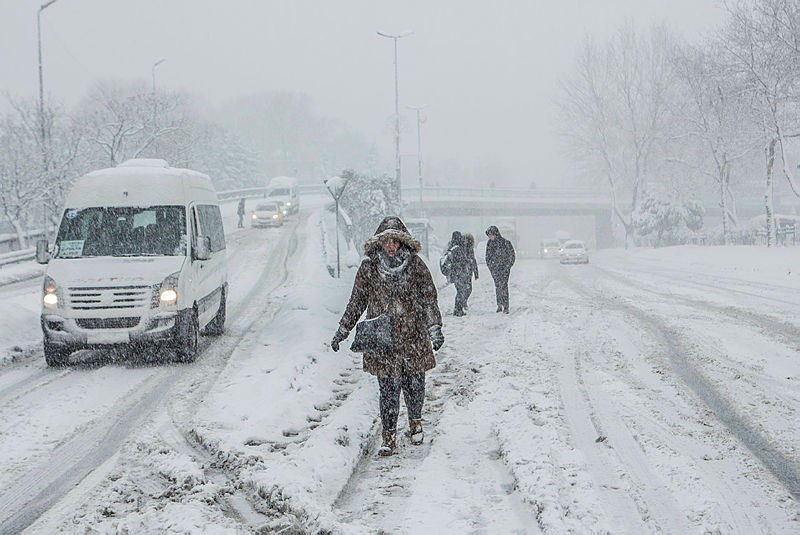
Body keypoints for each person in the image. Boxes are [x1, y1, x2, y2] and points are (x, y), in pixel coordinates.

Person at [330, 216, 444, 456]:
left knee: (415, 385)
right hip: (383, 341)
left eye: (395, 241)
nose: (391, 246)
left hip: (413, 336)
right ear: (379, 243)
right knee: (388, 391)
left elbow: (428, 298)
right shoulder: (369, 267)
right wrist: (343, 329)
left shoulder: (415, 265)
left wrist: (434, 328)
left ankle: (415, 422)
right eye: (386, 242)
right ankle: (388, 435)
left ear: (402, 243)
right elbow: (357, 301)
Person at [485, 225, 515, 313]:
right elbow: (488, 257)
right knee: (498, 286)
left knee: (504, 286)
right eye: (489, 236)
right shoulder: (489, 244)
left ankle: (505, 306)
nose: (490, 237)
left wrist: (508, 266)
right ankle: (499, 305)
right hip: (495, 269)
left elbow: (512, 255)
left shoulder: (505, 243)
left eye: (491, 235)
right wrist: (491, 267)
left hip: (504, 269)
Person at [444, 231, 472, 316]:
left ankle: (458, 309)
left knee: (460, 291)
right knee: (461, 291)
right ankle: (458, 310)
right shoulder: (458, 248)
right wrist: (468, 261)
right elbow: (461, 261)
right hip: (459, 274)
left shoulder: (451, 247)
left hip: (455, 274)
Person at [463, 232, 479, 311]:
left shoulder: (470, 249)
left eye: (467, 239)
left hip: (468, 271)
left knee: (469, 288)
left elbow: (473, 260)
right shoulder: (461, 248)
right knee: (465, 288)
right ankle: (463, 302)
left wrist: (476, 273)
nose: (465, 241)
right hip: (463, 271)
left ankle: (464, 301)